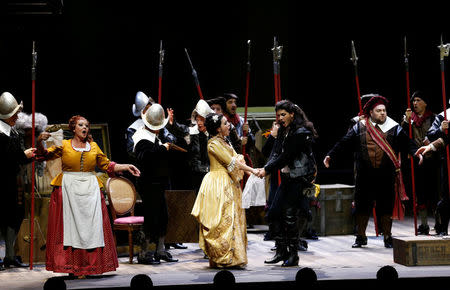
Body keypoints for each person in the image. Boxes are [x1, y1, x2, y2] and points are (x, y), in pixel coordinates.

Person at [36, 115, 140, 277]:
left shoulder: (93, 147)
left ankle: (91, 266)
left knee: (92, 228)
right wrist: (38, 142)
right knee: (70, 229)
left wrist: (126, 166)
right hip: (69, 190)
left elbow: (107, 165)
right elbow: (43, 155)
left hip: (90, 190)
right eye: (80, 125)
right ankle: (72, 267)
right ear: (73, 128)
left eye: (86, 126)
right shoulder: (64, 145)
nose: (84, 128)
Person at [323, 95, 422, 248]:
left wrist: (417, 154)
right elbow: (344, 143)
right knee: (362, 207)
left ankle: (388, 237)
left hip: (386, 174)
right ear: (371, 112)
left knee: (386, 206)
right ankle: (361, 237)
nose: (383, 113)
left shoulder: (393, 126)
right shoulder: (359, 126)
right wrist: (330, 155)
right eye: (378, 111)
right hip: (365, 174)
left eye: (384, 110)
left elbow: (407, 143)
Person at [191, 112, 258, 269]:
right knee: (221, 221)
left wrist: (252, 172)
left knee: (233, 219)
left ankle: (233, 257)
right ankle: (222, 257)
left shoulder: (225, 141)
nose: (229, 125)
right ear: (218, 128)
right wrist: (252, 171)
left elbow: (237, 159)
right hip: (218, 185)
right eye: (225, 123)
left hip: (229, 183)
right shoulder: (213, 144)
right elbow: (232, 162)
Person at [257, 100, 318, 267]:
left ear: (292, 114)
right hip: (287, 178)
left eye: (283, 114)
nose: (280, 118)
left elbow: (287, 157)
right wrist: (265, 167)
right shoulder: (283, 130)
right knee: (273, 213)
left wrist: (266, 170)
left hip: (299, 179)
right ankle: (281, 251)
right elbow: (275, 153)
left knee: (290, 216)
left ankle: (293, 255)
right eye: (278, 115)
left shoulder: (301, 132)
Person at [133, 103, 179, 264]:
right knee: (151, 218)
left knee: (162, 217)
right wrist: (161, 150)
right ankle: (144, 253)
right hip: (148, 184)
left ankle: (160, 250)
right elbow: (144, 159)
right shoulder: (142, 138)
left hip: (159, 183)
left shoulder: (156, 136)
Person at [0, 92, 36, 271]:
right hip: (2, 181)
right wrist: (23, 155)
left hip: (12, 181)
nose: (17, 116)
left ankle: (10, 256)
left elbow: (16, 157)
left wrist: (27, 155)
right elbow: (6, 159)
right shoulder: (0, 133)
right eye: (13, 114)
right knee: (2, 218)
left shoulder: (11, 129)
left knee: (14, 215)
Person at [401, 90, 439, 235]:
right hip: (416, 161)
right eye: (413, 101)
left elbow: (439, 135)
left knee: (435, 193)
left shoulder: (434, 117)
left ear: (425, 103)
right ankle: (423, 225)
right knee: (420, 194)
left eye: (418, 100)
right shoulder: (408, 119)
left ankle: (439, 223)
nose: (415, 103)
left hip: (433, 160)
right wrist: (406, 121)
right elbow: (402, 137)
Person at [424, 102, 450, 235]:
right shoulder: (443, 116)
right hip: (448, 161)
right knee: (447, 196)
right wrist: (441, 128)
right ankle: (442, 227)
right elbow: (430, 134)